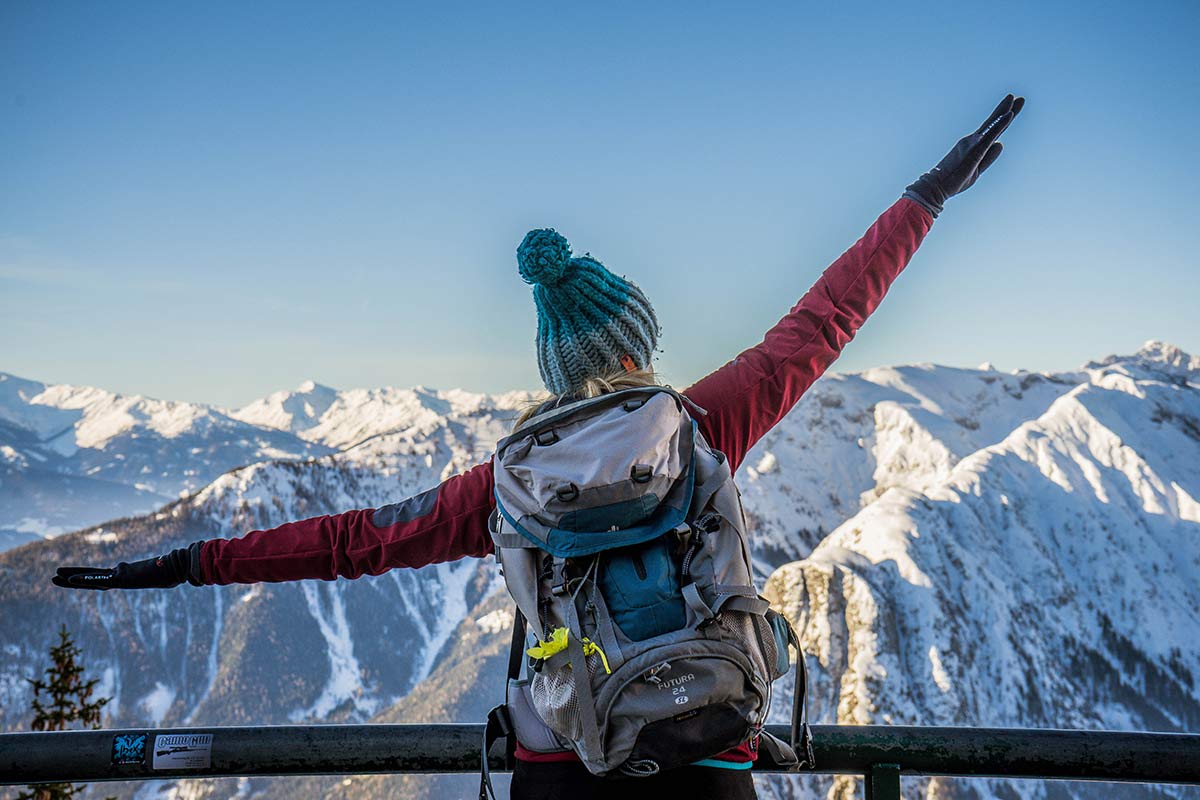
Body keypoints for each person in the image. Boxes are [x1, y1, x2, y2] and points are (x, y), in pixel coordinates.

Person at [53, 93, 1025, 799]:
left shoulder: (504, 483)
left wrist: (179, 564)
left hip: (566, 755)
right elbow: (825, 320)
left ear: (556, 370)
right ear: (637, 343)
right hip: (711, 743)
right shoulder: (703, 423)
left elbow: (347, 542)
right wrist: (925, 198)